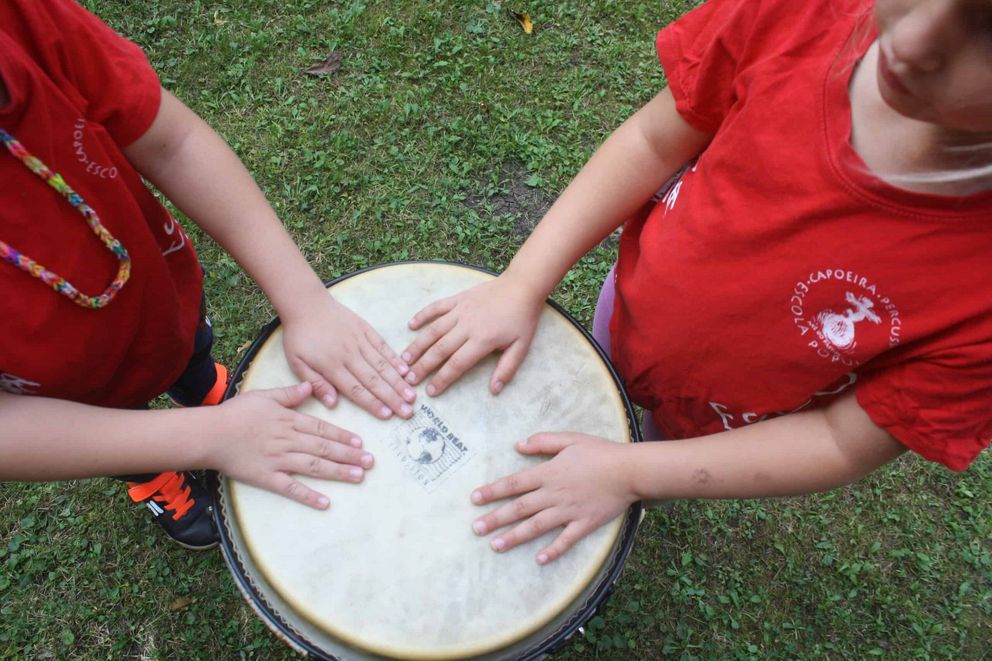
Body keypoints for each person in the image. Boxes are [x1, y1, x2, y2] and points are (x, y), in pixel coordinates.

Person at [401, 0, 992, 565]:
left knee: (632, 455)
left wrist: (631, 474)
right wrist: (522, 283)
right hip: (629, 306)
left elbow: (844, 440)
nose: (915, 41)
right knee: (571, 399)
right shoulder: (800, 13)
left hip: (726, 418)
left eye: (987, 27)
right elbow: (653, 139)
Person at [0, 0, 418, 550]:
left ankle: (202, 387)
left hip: (155, 296)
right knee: (118, 423)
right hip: (61, 396)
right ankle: (151, 467)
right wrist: (206, 439)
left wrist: (305, 301)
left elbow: (172, 142)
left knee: (189, 347)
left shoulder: (20, 18)